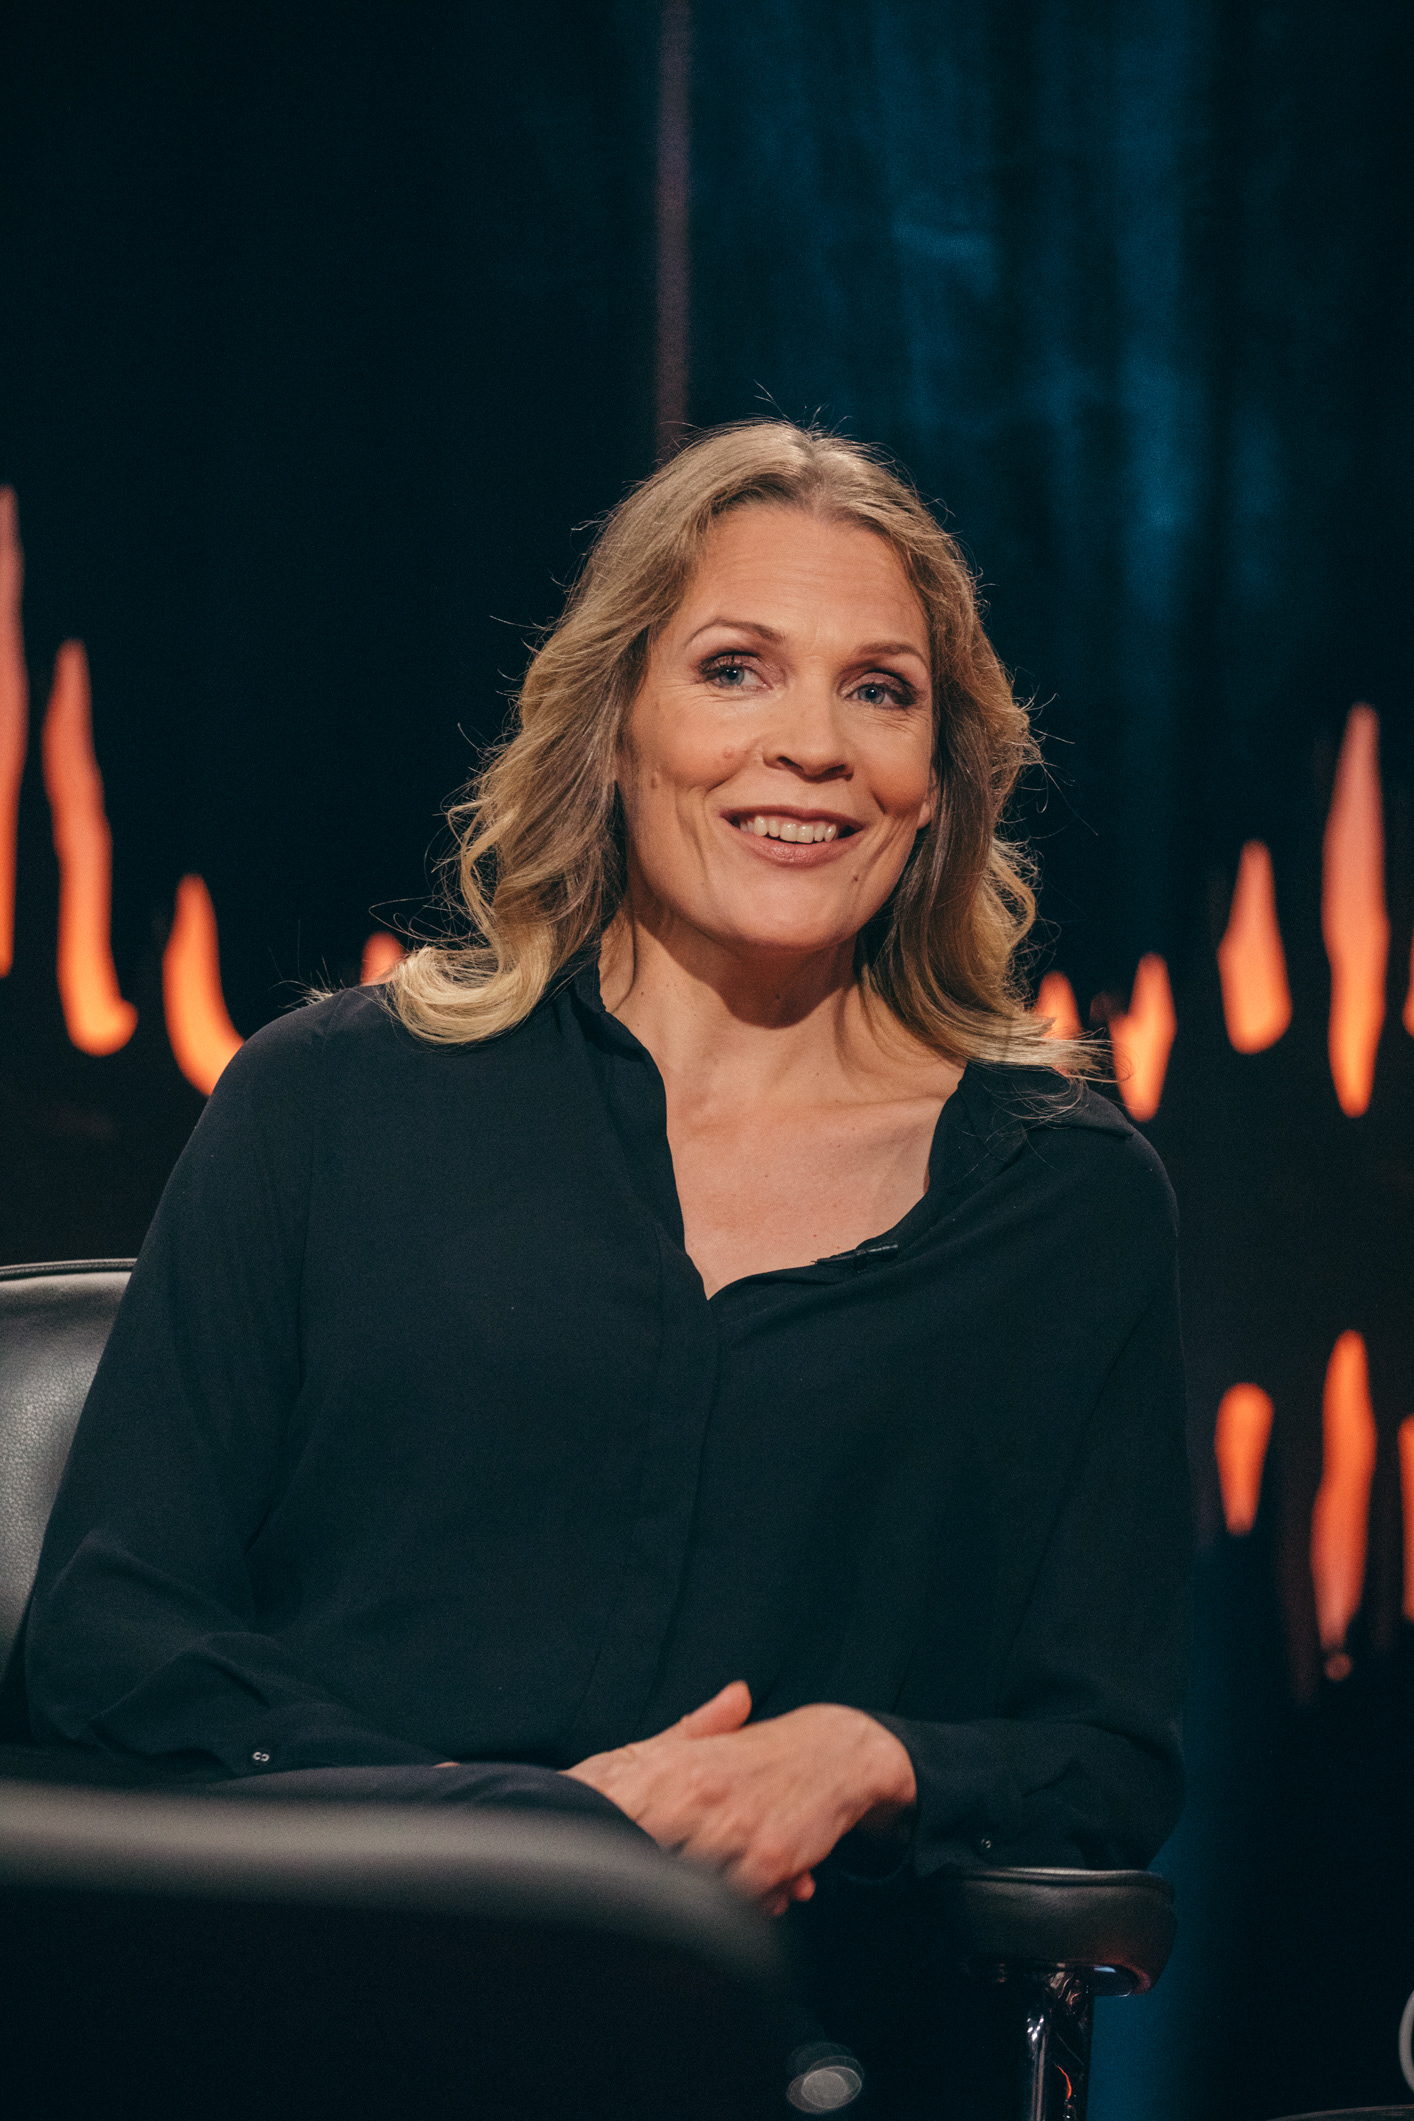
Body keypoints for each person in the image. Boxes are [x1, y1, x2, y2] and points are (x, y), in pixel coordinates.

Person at [24, 422, 1189, 2101]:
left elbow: (1103, 1755)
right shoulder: (326, 1103)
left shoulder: (1068, 1204)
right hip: (309, 2012)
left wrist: (862, 1756)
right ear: (614, 726)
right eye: (734, 669)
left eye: (878, 691)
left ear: (939, 775)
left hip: (785, 2047)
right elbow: (111, 1632)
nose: (811, 747)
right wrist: (527, 1837)